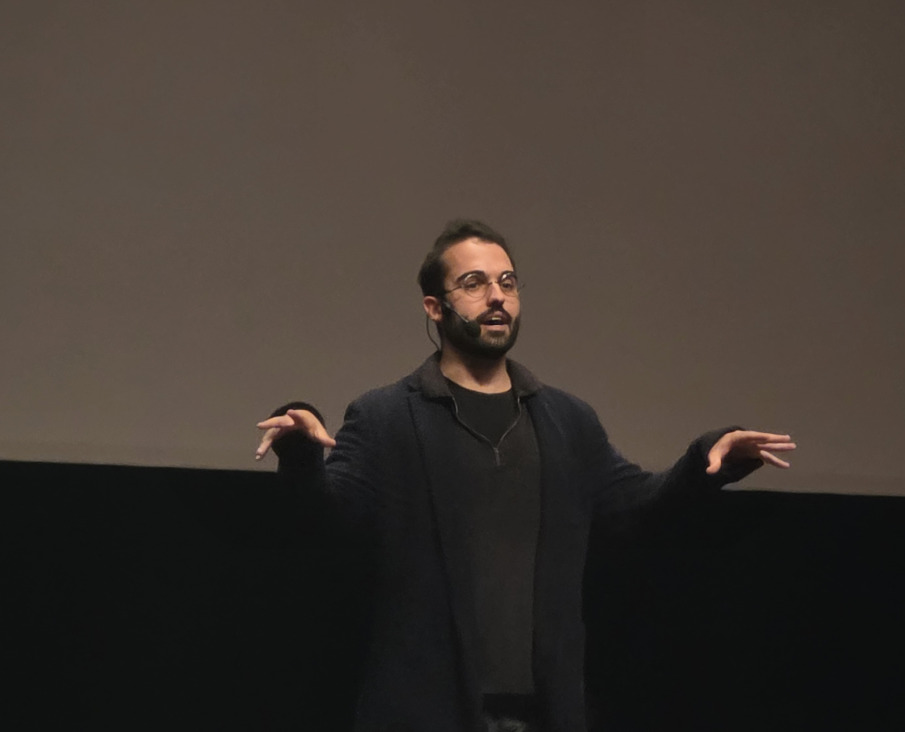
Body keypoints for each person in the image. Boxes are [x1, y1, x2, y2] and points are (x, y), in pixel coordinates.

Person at [255, 219, 794, 732]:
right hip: (425, 711)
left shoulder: (565, 420)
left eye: (507, 282)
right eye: (474, 283)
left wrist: (708, 461)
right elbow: (330, 521)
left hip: (543, 713)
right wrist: (301, 452)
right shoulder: (387, 418)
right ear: (434, 307)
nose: (497, 297)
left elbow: (636, 507)